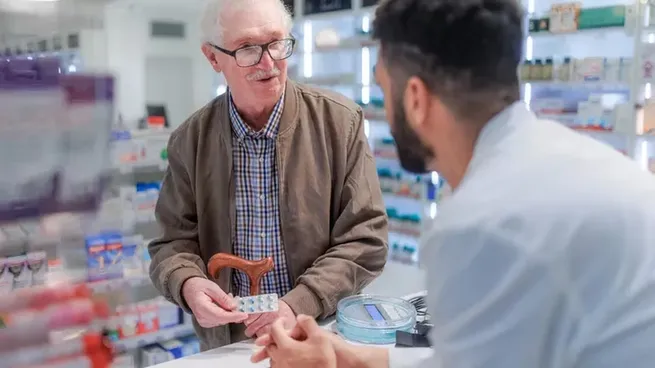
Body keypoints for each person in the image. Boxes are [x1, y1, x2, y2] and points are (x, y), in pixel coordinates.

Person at [251, 0, 655, 367]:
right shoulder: (563, 157)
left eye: (382, 89)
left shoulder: (481, 223)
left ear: (415, 99)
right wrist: (358, 361)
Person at [148, 0, 388, 351]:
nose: (269, 62)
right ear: (213, 58)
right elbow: (172, 244)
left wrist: (298, 305)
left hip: (317, 334)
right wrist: (187, 283)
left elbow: (365, 239)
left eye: (277, 43)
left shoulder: (340, 123)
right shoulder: (190, 141)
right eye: (247, 48)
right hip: (228, 345)